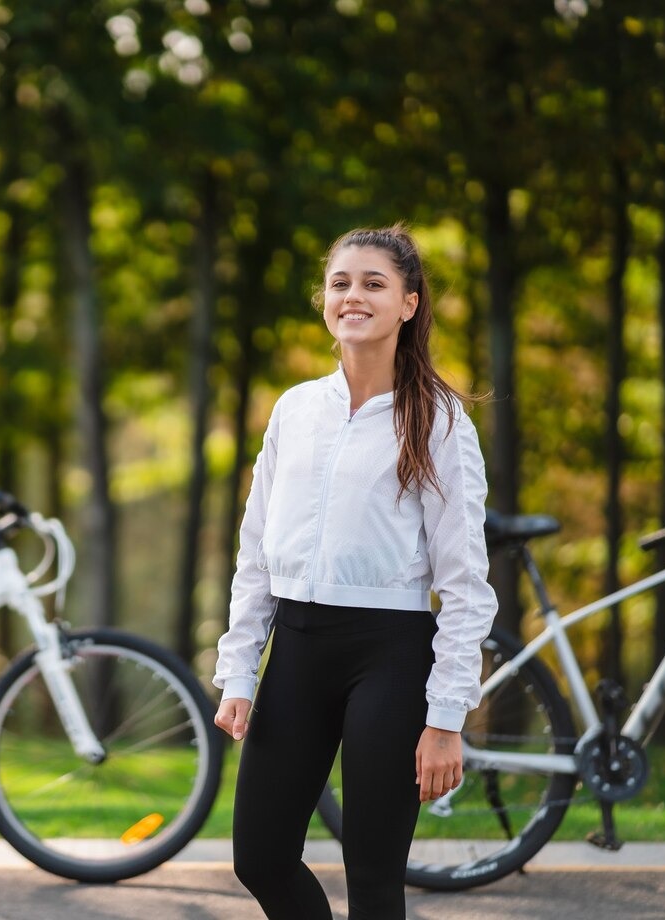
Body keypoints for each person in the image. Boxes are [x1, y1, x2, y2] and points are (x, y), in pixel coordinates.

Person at [213, 224, 497, 919]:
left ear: (408, 302)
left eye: (374, 283)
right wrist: (240, 670)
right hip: (298, 649)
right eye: (341, 283)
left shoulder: (440, 421)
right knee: (261, 858)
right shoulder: (295, 410)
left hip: (390, 656)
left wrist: (446, 719)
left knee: (372, 878)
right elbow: (256, 552)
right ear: (324, 300)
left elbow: (465, 586)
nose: (353, 296)